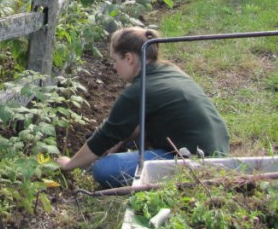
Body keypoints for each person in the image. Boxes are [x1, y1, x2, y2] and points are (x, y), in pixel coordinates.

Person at [56, 27, 230, 188]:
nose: (114, 67)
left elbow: (105, 136)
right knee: (117, 141)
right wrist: (117, 143)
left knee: (103, 168)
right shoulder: (170, 70)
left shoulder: (139, 90)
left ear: (129, 58)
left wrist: (69, 164)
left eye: (115, 60)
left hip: (196, 161)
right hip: (218, 148)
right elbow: (135, 125)